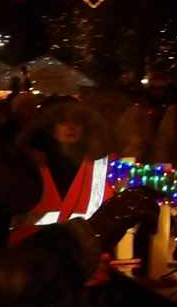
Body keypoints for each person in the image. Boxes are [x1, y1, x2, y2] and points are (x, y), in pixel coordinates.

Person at [10, 98, 114, 244]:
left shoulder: (101, 165)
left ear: (85, 128)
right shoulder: (29, 165)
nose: (70, 127)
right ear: (51, 127)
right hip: (33, 250)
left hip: (84, 251)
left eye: (77, 122)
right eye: (63, 122)